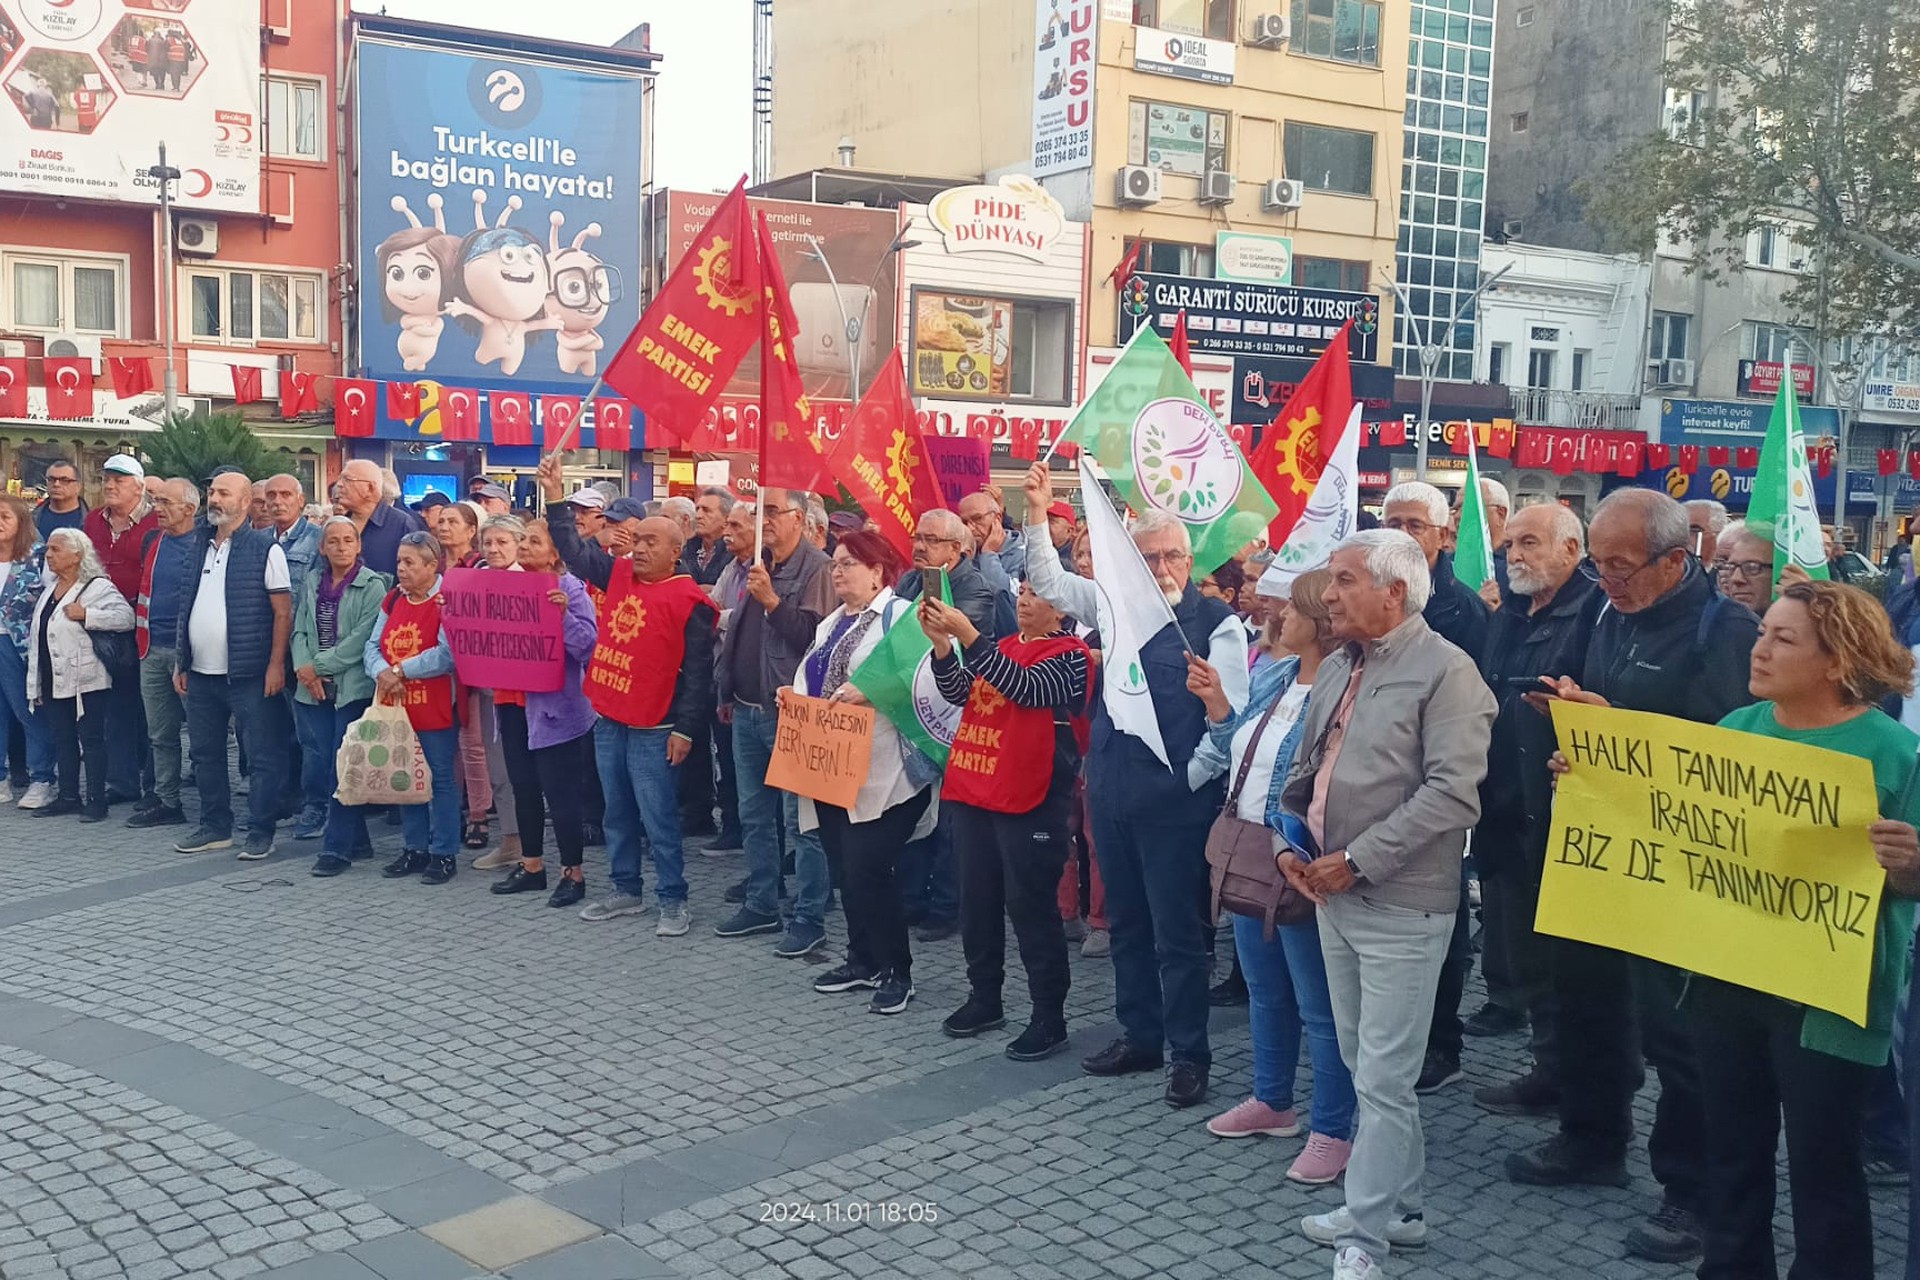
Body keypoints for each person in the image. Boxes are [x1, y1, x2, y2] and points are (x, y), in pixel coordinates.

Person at [1566, 581, 1904, 1279]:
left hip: (1827, 1000)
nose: (1760, 648)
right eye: (1762, 633)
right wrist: (1595, 779)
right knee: (1733, 1151)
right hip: (1728, 980)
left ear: (1837, 661)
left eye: (1783, 639)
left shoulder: (1896, 755)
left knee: (1824, 1164)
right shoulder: (1738, 732)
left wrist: (1912, 868)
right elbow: (1676, 821)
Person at [1504, 488, 1760, 1265]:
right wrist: (1573, 726)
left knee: (1680, 1031)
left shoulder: (1728, 628)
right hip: (1599, 838)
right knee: (1586, 994)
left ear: (1677, 560)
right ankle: (1591, 1137)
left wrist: (1617, 727)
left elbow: (1733, 748)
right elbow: (1587, 693)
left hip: (1681, 862)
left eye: (1622, 566)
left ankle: (1692, 1195)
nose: (1607, 579)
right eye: (1602, 565)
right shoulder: (1605, 612)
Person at [1278, 530, 1496, 1277]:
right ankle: (1398, 1210)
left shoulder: (1450, 672)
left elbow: (1452, 794)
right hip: (1331, 893)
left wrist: (1360, 859)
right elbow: (1306, 769)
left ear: (1394, 591)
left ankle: (1364, 1240)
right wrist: (1288, 837)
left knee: (1384, 1075)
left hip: (1402, 903)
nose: (1328, 595)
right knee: (1361, 1061)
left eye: (1343, 580)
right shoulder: (1341, 664)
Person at [1188, 569, 1359, 1186]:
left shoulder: (1342, 695)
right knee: (1265, 989)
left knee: (1320, 1005)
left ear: (1319, 621)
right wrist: (1217, 709)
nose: (1276, 612)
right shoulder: (1277, 675)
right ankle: (1272, 1100)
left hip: (1299, 855)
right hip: (1250, 847)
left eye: (1292, 606)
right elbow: (1238, 743)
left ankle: (1334, 1128)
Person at [1078, 508, 1248, 1107]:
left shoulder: (1216, 624)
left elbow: (1231, 718)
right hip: (1113, 794)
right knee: (1126, 924)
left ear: (1190, 560)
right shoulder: (1119, 615)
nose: (1160, 568)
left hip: (1174, 807)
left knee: (1178, 936)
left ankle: (1189, 1055)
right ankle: (1141, 1035)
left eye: (1171, 556)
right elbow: (1053, 586)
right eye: (1147, 558)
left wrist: (1187, 783)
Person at [1467, 503, 1602, 1119]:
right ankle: (1549, 1073)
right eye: (1509, 544)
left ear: (1572, 551)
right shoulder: (1511, 614)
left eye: (1530, 543)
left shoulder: (1596, 614)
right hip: (1505, 806)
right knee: (1527, 954)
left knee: (1566, 968)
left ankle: (1577, 1092)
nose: (1513, 555)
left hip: (1559, 812)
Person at [543, 459, 717, 932]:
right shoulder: (618, 575)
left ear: (676, 550)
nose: (637, 548)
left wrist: (685, 730)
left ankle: (673, 898)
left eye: (649, 542)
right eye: (636, 540)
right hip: (610, 716)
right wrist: (556, 497)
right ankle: (625, 889)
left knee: (657, 816)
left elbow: (699, 676)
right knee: (617, 810)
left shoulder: (690, 601)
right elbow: (574, 552)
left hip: (655, 726)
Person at [923, 578, 1091, 1053]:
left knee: (1030, 906)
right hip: (978, 787)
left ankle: (1048, 1014)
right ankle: (985, 995)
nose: (1023, 600)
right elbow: (963, 693)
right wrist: (942, 649)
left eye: (1036, 595)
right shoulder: (1005, 645)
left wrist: (970, 638)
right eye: (1022, 592)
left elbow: (1025, 690)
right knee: (976, 901)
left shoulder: (1071, 655)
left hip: (1032, 796)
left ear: (1061, 610)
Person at [794, 531, 933, 1012]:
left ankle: (898, 970)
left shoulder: (901, 618)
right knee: (844, 869)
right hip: (831, 764)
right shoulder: (832, 622)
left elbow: (928, 678)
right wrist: (792, 699)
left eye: (849, 563)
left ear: (878, 572)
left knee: (869, 868)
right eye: (835, 562)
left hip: (884, 769)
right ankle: (862, 958)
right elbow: (814, 674)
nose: (838, 571)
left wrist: (873, 693)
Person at [712, 486, 837, 956]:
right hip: (746, 707)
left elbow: (814, 639)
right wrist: (727, 689)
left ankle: (809, 915)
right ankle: (762, 902)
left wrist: (772, 602)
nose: (763, 520)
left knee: (801, 821)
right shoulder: (756, 564)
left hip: (792, 712)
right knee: (754, 815)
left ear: (800, 520)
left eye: (773, 512)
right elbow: (740, 630)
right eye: (758, 512)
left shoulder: (818, 569)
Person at [172, 471, 294, 861]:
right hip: (201, 673)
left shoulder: (264, 549)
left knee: (261, 754)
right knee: (205, 753)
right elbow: (184, 608)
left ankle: (260, 830)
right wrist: (182, 662)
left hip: (249, 673)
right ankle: (215, 826)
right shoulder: (198, 545)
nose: (214, 499)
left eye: (223, 493)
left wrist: (276, 665)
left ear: (245, 502)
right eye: (211, 492)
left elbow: (282, 613)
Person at [486, 518, 600, 909]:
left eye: (534, 541)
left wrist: (563, 615)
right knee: (524, 787)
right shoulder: (503, 585)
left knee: (562, 794)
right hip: (510, 702)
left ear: (555, 553)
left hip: (555, 710)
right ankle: (531, 865)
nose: (525, 546)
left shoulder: (570, 589)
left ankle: (574, 872)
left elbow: (589, 647)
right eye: (525, 540)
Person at [365, 532, 462, 885]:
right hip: (398, 707)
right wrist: (380, 672)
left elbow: (445, 655)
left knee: (440, 780)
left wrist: (399, 670)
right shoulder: (393, 599)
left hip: (435, 706)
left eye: (409, 563)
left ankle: (444, 852)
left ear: (432, 565)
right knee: (406, 777)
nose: (401, 569)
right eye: (399, 562)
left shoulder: (446, 600)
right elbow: (372, 646)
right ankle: (414, 848)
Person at [293, 518, 387, 876]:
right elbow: (300, 627)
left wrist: (318, 666)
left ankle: (336, 850)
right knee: (325, 761)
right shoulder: (314, 581)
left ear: (359, 545)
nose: (341, 547)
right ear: (322, 547)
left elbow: (361, 640)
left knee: (342, 768)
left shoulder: (372, 585)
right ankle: (358, 841)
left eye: (349, 540)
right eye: (333, 541)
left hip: (351, 688)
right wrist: (305, 668)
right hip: (314, 687)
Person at [27, 528, 135, 821]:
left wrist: (89, 615)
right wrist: (34, 684)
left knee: (92, 739)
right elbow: (38, 636)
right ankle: (68, 796)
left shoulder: (97, 587)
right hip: (53, 677)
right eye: (48, 549)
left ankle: (97, 800)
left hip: (87, 680)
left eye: (56, 549)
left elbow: (126, 618)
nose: (49, 555)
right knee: (63, 739)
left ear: (77, 555)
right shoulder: (51, 589)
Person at [84, 453, 158, 809]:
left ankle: (152, 780)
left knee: (148, 706)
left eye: (120, 480)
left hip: (142, 624)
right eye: (107, 479)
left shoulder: (156, 522)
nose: (111, 486)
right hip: (102, 623)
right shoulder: (92, 522)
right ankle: (122, 781)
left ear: (139, 486)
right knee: (115, 705)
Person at [126, 479, 201, 830]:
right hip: (151, 648)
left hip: (190, 654)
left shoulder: (205, 544)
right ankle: (168, 800)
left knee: (203, 734)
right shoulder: (153, 541)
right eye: (156, 501)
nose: (158, 508)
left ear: (190, 508)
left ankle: (215, 805)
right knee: (161, 734)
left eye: (166, 502)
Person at [428, 500, 494, 850]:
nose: (444, 527)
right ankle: (448, 811)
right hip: (436, 666)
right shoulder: (432, 565)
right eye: (441, 521)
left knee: (473, 745)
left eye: (453, 521)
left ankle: (479, 814)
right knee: (444, 746)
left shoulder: (481, 566)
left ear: (471, 531)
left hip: (471, 668)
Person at [466, 516, 525, 871]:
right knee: (499, 769)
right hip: (489, 691)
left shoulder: (531, 582)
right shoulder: (472, 581)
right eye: (488, 542)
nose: (494, 549)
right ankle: (511, 842)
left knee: (527, 771)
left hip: (528, 695)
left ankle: (530, 848)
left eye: (502, 542)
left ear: (518, 543)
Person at [0, 495, 55, 810]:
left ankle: (42, 778)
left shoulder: (38, 556)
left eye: (5, 516)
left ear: (21, 521)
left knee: (27, 711)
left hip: (20, 646)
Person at [337, 459, 423, 578]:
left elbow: (416, 575)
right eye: (340, 479)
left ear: (370, 488)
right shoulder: (339, 524)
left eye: (347, 480)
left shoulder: (402, 524)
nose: (339, 484)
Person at [960, 489, 1026, 583]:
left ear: (997, 518)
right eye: (964, 522)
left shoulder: (1024, 556)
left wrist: (988, 555)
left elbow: (1007, 595)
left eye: (978, 518)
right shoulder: (964, 554)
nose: (970, 528)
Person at [680, 488, 733, 585]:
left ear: (726, 519)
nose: (698, 516)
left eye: (706, 510)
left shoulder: (734, 554)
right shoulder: (687, 551)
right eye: (697, 509)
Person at [34, 461, 86, 539]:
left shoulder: (90, 522)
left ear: (78, 486)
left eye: (64, 480)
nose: (56, 484)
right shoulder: (31, 520)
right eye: (51, 479)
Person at [1686, 499, 1730, 567]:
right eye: (1679, 530)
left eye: (1693, 531)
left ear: (1719, 536)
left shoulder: (1729, 574)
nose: (1683, 537)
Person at [1045, 499, 1078, 571]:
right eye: (1044, 521)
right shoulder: (1035, 550)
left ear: (1069, 531)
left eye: (1051, 521)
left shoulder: (1078, 557)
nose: (1045, 526)